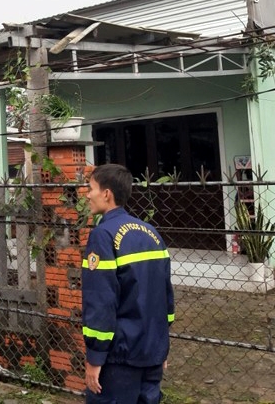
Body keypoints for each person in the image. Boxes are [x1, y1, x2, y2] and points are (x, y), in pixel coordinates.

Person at [82, 164, 175, 402]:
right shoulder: (151, 233)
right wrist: (161, 345)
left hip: (119, 359)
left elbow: (100, 302)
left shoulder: (103, 236)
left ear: (106, 193)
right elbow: (166, 296)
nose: (87, 194)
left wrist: (94, 357)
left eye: (90, 188)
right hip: (152, 350)